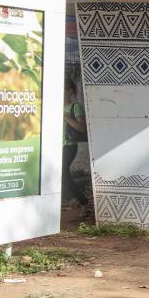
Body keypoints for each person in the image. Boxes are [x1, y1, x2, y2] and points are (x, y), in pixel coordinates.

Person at [62, 77, 89, 207]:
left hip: (69, 146)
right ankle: (72, 198)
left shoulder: (75, 107)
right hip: (56, 146)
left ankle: (81, 199)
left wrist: (68, 119)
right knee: (62, 172)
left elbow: (82, 128)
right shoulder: (54, 106)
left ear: (70, 91)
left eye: (62, 89)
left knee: (63, 171)